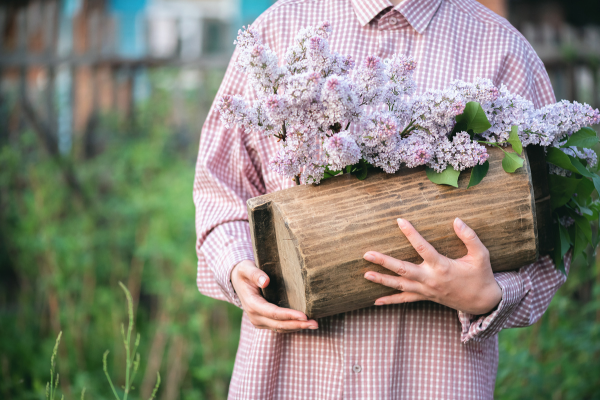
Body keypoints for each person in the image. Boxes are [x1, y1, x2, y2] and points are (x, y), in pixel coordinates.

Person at [193, 0, 570, 398]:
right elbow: (220, 191)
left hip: (430, 380)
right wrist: (238, 271)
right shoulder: (277, 32)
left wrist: (493, 294)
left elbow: (554, 231)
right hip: (290, 378)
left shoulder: (501, 51)